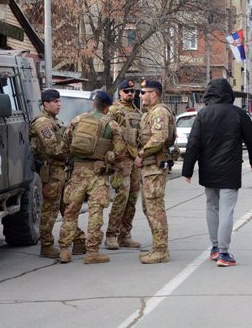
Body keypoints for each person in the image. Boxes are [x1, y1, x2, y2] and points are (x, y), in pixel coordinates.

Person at [181, 78, 252, 267]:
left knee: (211, 207)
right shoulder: (239, 114)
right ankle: (224, 253)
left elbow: (193, 143)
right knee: (227, 209)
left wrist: (187, 170)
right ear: (229, 94)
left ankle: (215, 248)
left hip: (208, 169)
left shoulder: (203, 114)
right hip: (230, 170)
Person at [58, 91, 124, 264]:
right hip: (98, 175)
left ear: (93, 104)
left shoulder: (77, 120)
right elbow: (120, 152)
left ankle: (64, 250)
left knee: (71, 211)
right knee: (96, 212)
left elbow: (64, 145)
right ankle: (92, 252)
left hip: (77, 173)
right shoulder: (112, 125)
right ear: (107, 107)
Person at [29, 89, 85, 258]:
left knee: (67, 206)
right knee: (50, 209)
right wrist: (73, 150)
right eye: (55, 102)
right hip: (52, 171)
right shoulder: (43, 123)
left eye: (59, 101)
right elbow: (53, 148)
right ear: (46, 104)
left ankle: (79, 240)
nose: (59, 104)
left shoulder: (55, 121)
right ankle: (46, 245)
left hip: (61, 171)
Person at [134, 79, 176, 264]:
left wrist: (141, 154)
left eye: (144, 92)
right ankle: (157, 247)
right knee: (148, 208)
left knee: (155, 208)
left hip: (154, 168)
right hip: (148, 168)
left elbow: (160, 137)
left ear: (154, 94)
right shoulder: (148, 113)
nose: (140, 96)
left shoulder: (158, 111)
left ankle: (161, 250)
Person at [105, 79, 143, 250]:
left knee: (132, 199)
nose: (130, 94)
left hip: (135, 161)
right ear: (120, 92)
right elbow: (106, 134)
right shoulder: (113, 111)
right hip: (121, 161)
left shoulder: (137, 111)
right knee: (121, 197)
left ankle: (125, 234)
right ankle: (111, 234)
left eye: (132, 91)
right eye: (126, 91)